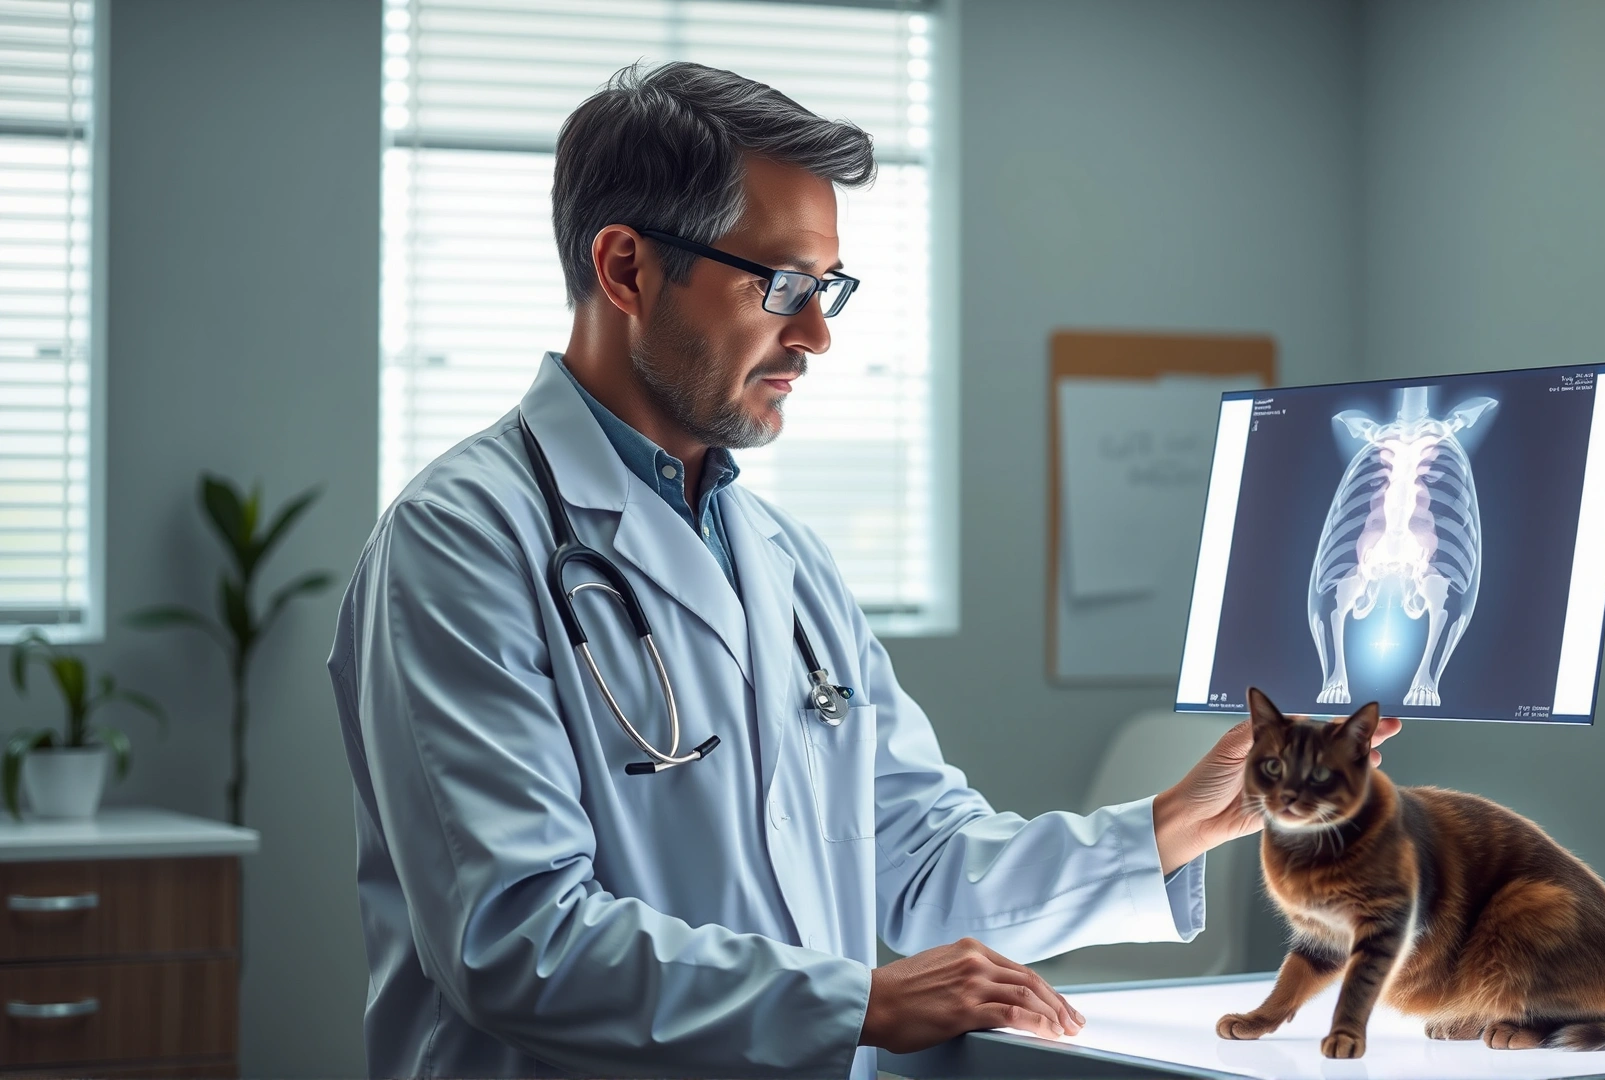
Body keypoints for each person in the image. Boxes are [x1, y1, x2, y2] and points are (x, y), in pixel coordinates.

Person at [327, 61, 1398, 1079]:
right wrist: (859, 1003)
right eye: (781, 283)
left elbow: (923, 863)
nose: (815, 336)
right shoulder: (460, 540)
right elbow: (515, 940)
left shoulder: (784, 562)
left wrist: (1184, 818)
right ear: (625, 268)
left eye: (825, 288)